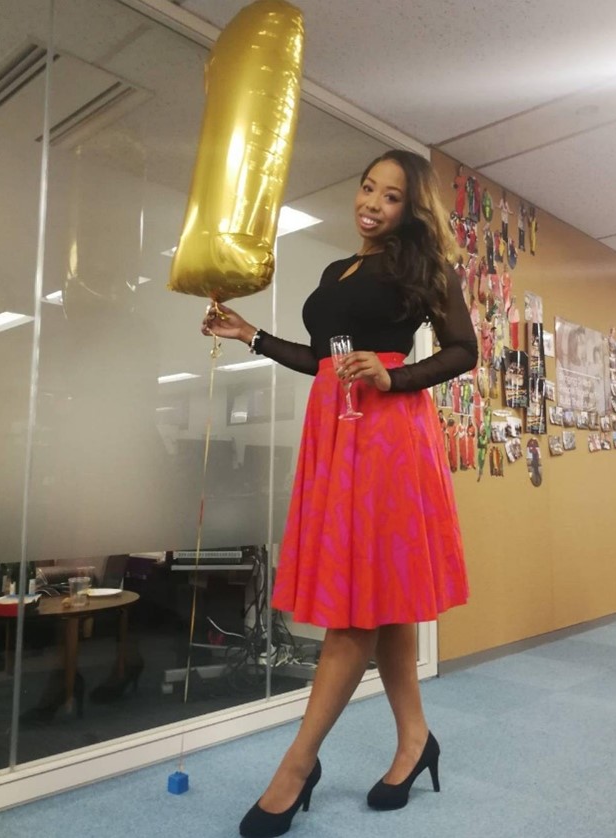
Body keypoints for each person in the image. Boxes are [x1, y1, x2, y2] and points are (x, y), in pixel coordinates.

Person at [201, 149, 478, 838]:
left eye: (390, 197)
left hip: (387, 435)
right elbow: (320, 360)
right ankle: (415, 740)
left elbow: (461, 349)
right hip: (337, 431)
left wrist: (394, 378)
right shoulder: (335, 270)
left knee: (354, 611)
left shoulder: (424, 267)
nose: (372, 204)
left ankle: (297, 767)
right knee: (384, 600)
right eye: (366, 189)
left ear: (409, 210)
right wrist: (251, 335)